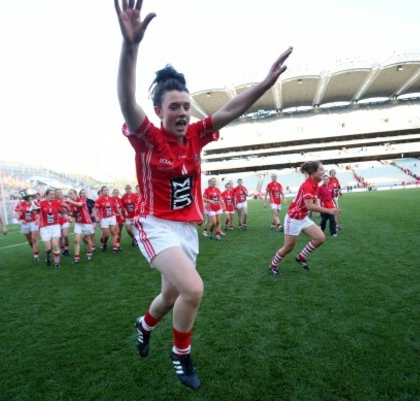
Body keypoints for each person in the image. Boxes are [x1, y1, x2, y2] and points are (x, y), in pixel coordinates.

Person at [114, 0, 292, 390]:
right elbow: (127, 101)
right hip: (154, 224)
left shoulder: (196, 136)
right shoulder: (149, 138)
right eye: (173, 107)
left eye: (186, 106)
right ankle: (181, 354)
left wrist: (265, 83)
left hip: (187, 231)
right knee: (194, 289)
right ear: (159, 111)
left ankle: (144, 326)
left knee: (170, 297)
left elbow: (231, 109)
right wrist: (131, 47)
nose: (182, 112)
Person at [268, 161, 340, 276]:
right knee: (288, 247)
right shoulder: (308, 185)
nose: (324, 171)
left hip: (303, 218)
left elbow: (310, 204)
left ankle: (301, 257)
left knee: (320, 238)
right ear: (313, 172)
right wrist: (329, 210)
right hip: (293, 219)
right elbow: (309, 206)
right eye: (321, 169)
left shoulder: (315, 184)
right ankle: (272, 265)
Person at [64, 189, 95, 264]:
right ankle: (76, 258)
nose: (69, 195)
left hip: (86, 223)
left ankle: (89, 252)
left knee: (87, 240)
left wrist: (69, 202)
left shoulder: (81, 199)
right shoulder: (71, 204)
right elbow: (74, 215)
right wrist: (66, 211)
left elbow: (80, 204)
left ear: (75, 194)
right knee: (76, 240)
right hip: (78, 223)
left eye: (71, 193)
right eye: (69, 194)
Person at [38, 188, 64, 269]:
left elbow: (62, 212)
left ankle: (57, 264)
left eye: (54, 194)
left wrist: (64, 215)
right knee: (48, 248)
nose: (53, 196)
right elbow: (34, 211)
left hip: (55, 226)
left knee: (55, 244)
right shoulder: (41, 203)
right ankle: (48, 255)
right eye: (51, 194)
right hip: (45, 227)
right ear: (46, 195)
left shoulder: (57, 203)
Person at [93, 186, 121, 253]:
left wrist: (120, 214)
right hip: (104, 219)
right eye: (104, 190)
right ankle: (104, 243)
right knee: (106, 235)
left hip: (112, 217)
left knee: (113, 232)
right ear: (102, 192)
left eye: (107, 190)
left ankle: (115, 248)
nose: (106, 191)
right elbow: (95, 209)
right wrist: (96, 217)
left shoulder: (112, 198)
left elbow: (116, 207)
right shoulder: (99, 200)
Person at [15, 189, 40, 263]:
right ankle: (35, 250)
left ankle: (36, 255)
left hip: (33, 222)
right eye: (29, 197)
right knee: (30, 240)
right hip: (25, 223)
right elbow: (17, 213)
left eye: (31, 197)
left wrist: (38, 219)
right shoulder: (20, 204)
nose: (31, 198)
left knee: (34, 239)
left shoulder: (35, 203)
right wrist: (20, 220)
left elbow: (39, 212)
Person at [55, 189, 71, 256]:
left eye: (59, 192)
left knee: (65, 235)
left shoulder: (65, 201)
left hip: (65, 220)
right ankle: (63, 249)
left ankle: (67, 248)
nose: (58, 194)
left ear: (62, 193)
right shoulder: (53, 201)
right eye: (57, 193)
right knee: (60, 237)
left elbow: (69, 211)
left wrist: (66, 210)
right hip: (56, 221)